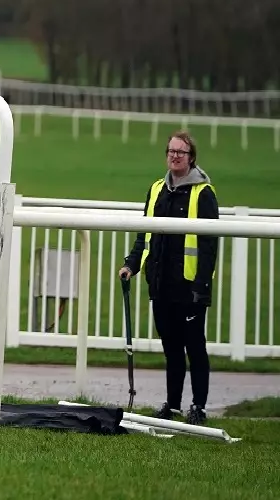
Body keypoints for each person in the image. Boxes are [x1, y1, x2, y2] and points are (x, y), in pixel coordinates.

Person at [118, 130, 219, 426]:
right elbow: (145, 234)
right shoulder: (156, 189)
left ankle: (198, 407)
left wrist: (202, 285)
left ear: (191, 158)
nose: (175, 156)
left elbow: (209, 246)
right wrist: (132, 265)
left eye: (181, 152)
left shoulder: (204, 194)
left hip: (190, 288)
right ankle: (173, 406)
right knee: (171, 348)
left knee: (194, 348)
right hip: (160, 283)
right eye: (171, 151)